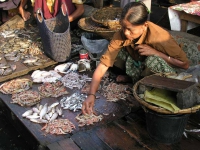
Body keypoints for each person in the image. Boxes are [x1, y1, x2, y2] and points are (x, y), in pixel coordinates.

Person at [82, 1, 189, 115]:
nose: (126, 33)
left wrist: (156, 52)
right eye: (123, 27)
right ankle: (134, 78)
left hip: (167, 71)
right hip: (139, 62)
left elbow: (185, 65)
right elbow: (104, 64)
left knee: (153, 61)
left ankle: (148, 86)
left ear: (145, 26)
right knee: (115, 53)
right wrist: (91, 94)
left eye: (130, 29)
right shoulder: (121, 34)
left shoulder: (160, 37)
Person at [18, 0, 84, 23]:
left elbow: (81, 9)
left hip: (67, 22)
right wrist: (42, 22)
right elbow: (36, 12)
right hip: (48, 22)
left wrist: (66, 20)